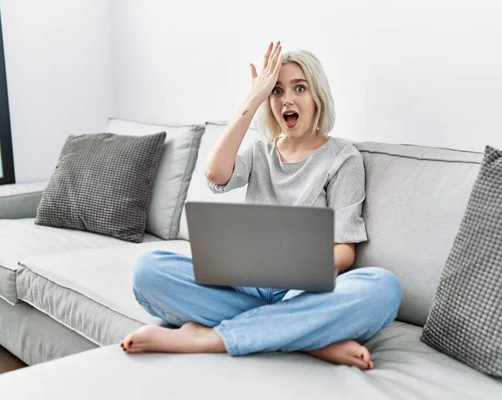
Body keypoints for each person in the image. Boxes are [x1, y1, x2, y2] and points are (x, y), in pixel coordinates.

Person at [119, 41, 402, 370]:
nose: (287, 99)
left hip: (303, 290)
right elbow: (215, 173)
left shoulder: (343, 158)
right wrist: (253, 98)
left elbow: (345, 250)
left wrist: (302, 262)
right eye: (277, 91)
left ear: (317, 97)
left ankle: (211, 337)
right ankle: (309, 338)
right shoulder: (260, 152)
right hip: (244, 282)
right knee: (148, 269)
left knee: (384, 288)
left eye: (299, 88)